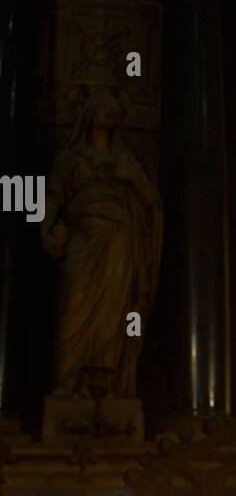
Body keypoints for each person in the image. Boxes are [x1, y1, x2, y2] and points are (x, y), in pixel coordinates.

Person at [41, 89, 162, 398]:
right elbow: (53, 197)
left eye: (111, 109)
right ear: (87, 114)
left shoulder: (125, 160)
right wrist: (45, 229)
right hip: (81, 237)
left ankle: (102, 384)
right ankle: (66, 381)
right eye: (100, 107)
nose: (105, 112)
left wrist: (131, 179)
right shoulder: (70, 159)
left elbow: (151, 202)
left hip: (118, 237)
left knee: (114, 311)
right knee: (73, 305)